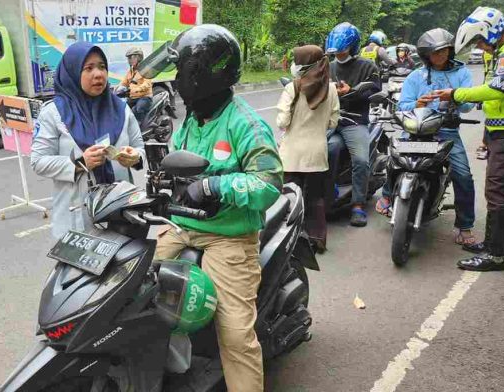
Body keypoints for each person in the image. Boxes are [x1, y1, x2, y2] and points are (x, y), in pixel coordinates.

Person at [141, 24, 283, 392]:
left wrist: (215, 184)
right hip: (183, 227)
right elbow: (178, 167)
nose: (174, 81)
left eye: (179, 73)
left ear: (199, 76)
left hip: (229, 238)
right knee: (131, 287)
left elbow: (269, 185)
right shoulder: (191, 118)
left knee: (235, 334)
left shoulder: (246, 124)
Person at [375, 28, 482, 251]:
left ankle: (465, 226)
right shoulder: (415, 76)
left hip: (446, 130)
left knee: (463, 174)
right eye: (435, 52)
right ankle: (387, 195)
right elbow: (403, 106)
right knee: (393, 158)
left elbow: (469, 104)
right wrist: (419, 104)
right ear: (426, 55)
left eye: (444, 50)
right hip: (415, 130)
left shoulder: (461, 73)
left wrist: (453, 95)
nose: (441, 55)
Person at [30, 42, 145, 239]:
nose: (98, 74)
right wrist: (80, 164)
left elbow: (140, 148)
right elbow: (38, 162)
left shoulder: (121, 109)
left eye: (102, 67)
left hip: (122, 215)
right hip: (77, 221)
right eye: (88, 68)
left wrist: (135, 158)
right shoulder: (53, 113)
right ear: (73, 72)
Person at [434, 7, 504, 271]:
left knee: (497, 192)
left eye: (479, 40)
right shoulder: (500, 52)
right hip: (499, 132)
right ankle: (495, 243)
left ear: (491, 32)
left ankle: (496, 254)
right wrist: (488, 135)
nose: (480, 46)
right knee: (499, 190)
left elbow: (497, 92)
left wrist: (456, 94)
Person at [276, 45, 339, 253]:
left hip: (291, 155)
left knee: (289, 198)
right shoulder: (331, 88)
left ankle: (289, 240)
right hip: (317, 154)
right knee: (315, 199)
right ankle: (317, 239)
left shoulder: (292, 87)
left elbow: (282, 121)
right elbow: (332, 122)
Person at [325, 22, 382, 227]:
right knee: (326, 151)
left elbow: (375, 91)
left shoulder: (368, 66)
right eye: (336, 50)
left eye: (343, 49)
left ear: (352, 46)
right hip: (331, 121)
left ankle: (358, 204)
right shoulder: (328, 67)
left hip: (355, 121)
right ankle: (327, 194)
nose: (339, 54)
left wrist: (351, 91)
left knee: (360, 160)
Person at [119, 47, 153, 123]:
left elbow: (147, 84)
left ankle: (140, 126)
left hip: (144, 97)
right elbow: (124, 82)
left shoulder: (146, 69)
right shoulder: (131, 70)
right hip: (133, 97)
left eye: (132, 57)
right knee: (123, 109)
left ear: (139, 57)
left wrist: (137, 89)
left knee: (138, 109)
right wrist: (118, 88)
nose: (129, 60)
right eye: (129, 58)